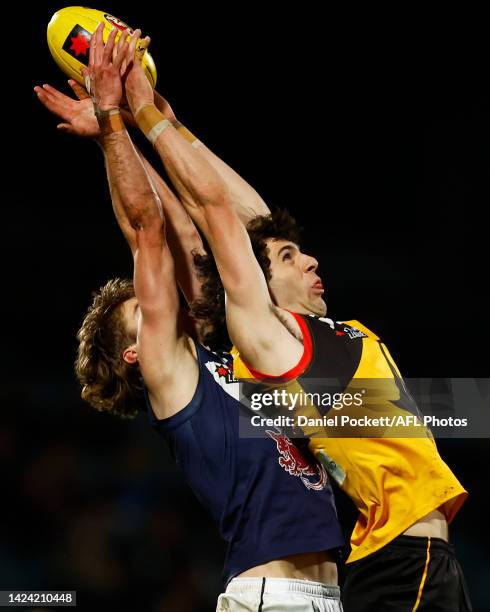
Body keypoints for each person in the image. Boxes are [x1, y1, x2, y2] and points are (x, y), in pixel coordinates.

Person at [121, 29, 472, 611]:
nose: (308, 258)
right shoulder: (273, 338)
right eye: (287, 258)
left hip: (407, 561)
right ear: (259, 283)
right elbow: (204, 220)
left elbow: (250, 214)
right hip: (401, 562)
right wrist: (132, 112)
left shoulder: (321, 333)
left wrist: (166, 122)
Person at [38, 24, 346, 611]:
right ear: (136, 352)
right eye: (143, 311)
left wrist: (123, 128)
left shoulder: (234, 359)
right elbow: (147, 232)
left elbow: (186, 230)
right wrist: (108, 115)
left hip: (323, 594)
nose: (163, 305)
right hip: (270, 595)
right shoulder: (176, 383)